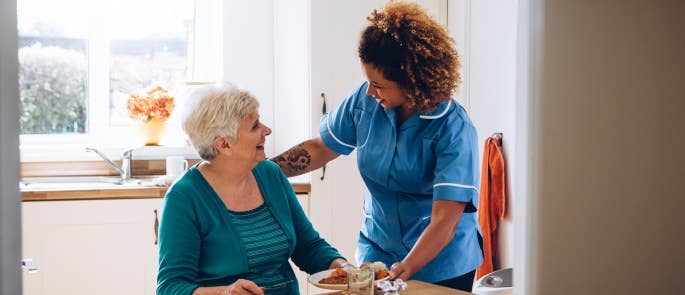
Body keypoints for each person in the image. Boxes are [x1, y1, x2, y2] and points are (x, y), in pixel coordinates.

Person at [271, 1, 482, 292]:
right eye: (368, 81)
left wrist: (407, 267)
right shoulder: (365, 100)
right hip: (378, 251)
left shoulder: (453, 128)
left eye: (379, 85)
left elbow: (445, 220)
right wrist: (263, 171)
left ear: (411, 80)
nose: (370, 91)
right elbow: (321, 148)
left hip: (441, 262)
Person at [157, 83, 348, 295]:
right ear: (224, 145)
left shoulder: (270, 174)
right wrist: (224, 292)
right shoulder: (184, 197)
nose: (267, 130)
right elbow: (170, 287)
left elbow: (309, 247)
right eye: (255, 126)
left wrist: (344, 269)